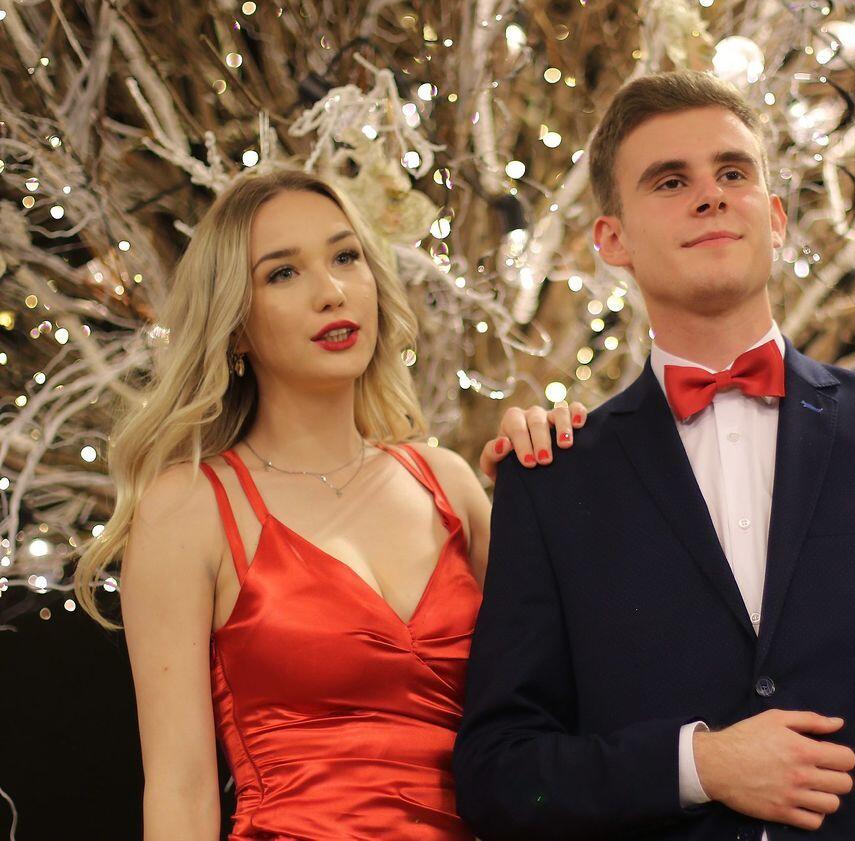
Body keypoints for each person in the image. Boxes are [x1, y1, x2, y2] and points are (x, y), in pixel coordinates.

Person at [453, 70, 855, 840]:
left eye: (733, 173)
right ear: (611, 240)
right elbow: (500, 775)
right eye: (670, 181)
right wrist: (695, 765)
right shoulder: (554, 477)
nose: (710, 196)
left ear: (775, 219)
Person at [74, 167, 583, 840]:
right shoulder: (189, 507)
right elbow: (181, 790)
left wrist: (562, 479)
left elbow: (567, 703)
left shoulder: (448, 483)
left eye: (346, 257)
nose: (332, 292)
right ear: (234, 327)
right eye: (283, 273)